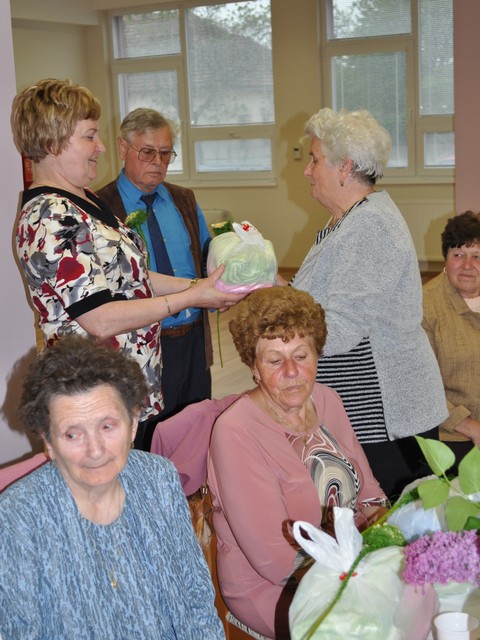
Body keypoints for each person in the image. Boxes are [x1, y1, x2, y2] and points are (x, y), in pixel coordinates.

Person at [11, 78, 244, 451]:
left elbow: (131, 277)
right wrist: (188, 298)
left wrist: (198, 288)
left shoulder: (83, 199)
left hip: (123, 387)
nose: (101, 147)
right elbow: (99, 318)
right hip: (92, 397)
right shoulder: (50, 216)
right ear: (53, 142)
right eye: (90, 136)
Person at [0, 335, 224, 639]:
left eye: (107, 426)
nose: (95, 450)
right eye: (73, 434)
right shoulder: (17, 520)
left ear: (133, 423)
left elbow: (197, 601)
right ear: (48, 441)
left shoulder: (158, 478)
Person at [207, 287, 388, 639]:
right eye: (275, 361)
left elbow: (369, 492)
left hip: (350, 563)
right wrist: (360, 572)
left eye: (301, 356)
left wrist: (387, 535)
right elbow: (275, 560)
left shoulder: (327, 399)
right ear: (254, 368)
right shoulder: (235, 431)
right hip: (275, 587)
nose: (292, 371)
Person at [290, 107, 447, 498]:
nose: (307, 170)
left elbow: (340, 329)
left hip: (385, 415)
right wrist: (267, 292)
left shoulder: (369, 225)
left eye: (314, 159)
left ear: (345, 166)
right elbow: (313, 299)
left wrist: (277, 324)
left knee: (396, 518)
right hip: (367, 409)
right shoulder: (346, 220)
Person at [97, 108, 213, 424]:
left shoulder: (184, 199)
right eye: (148, 152)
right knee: (146, 434)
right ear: (123, 148)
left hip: (193, 341)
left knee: (195, 429)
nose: (158, 162)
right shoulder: (100, 208)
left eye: (165, 153)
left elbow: (207, 255)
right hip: (138, 347)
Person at [422, 211, 480, 466]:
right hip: (450, 437)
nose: (467, 265)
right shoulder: (425, 305)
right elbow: (419, 386)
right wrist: (471, 427)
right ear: (446, 257)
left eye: (477, 256)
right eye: (458, 254)